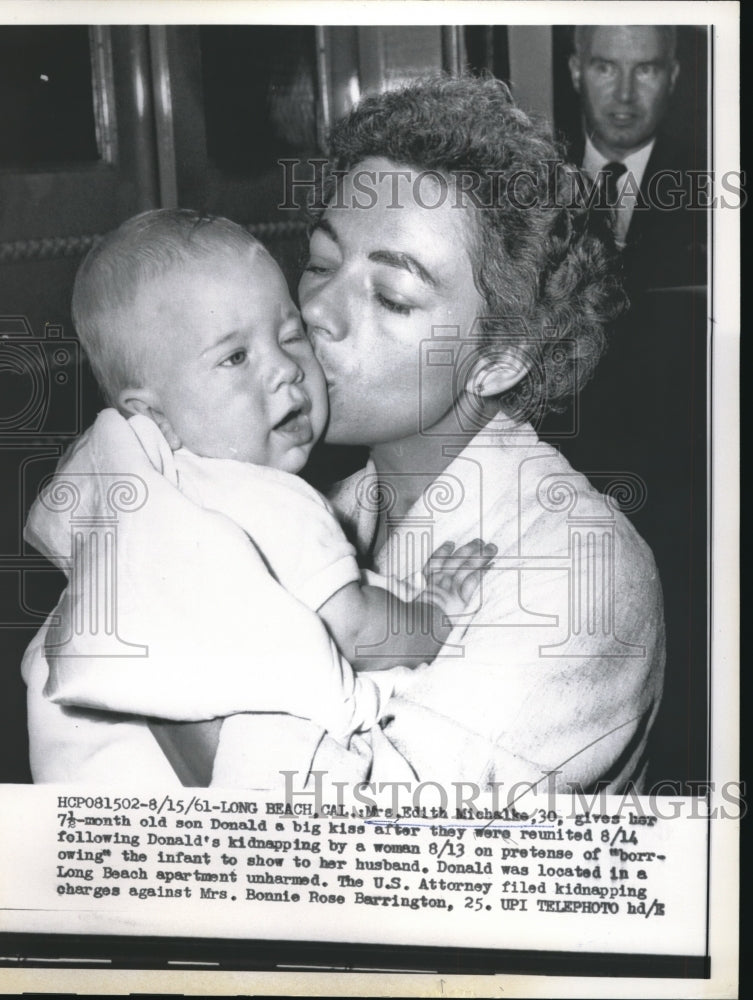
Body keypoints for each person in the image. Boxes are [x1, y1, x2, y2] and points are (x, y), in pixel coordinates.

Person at [24, 76, 665, 798]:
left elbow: (375, 845)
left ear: (496, 360)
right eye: (322, 263)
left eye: (391, 296)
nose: (317, 310)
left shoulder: (583, 567)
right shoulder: (310, 499)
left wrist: (150, 642)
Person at [21, 209, 493, 786]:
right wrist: (436, 616)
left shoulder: (139, 492)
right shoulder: (267, 498)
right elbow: (355, 629)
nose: (284, 370)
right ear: (153, 417)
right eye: (235, 357)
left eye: (290, 336)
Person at [567, 24, 706, 291]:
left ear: (672, 77)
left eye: (645, 70)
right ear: (576, 71)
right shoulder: (535, 179)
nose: (625, 94)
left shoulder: (709, 183)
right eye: (606, 68)